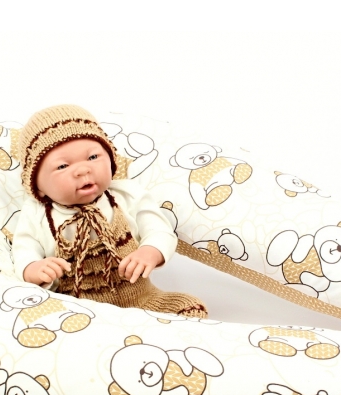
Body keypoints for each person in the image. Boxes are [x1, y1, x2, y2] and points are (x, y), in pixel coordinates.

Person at [12, 104, 208, 318]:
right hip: (80, 313)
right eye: (62, 166)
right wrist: (34, 269)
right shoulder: (37, 214)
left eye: (93, 157)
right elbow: (24, 250)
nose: (83, 169)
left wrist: (150, 251)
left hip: (142, 300)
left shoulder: (127, 195)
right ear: (37, 186)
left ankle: (150, 330)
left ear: (111, 158)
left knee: (191, 308)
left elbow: (160, 231)